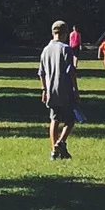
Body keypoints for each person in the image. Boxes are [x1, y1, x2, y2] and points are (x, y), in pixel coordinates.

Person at [39, 21, 78, 160]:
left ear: (52, 32)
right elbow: (71, 71)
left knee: (54, 119)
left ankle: (54, 151)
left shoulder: (45, 50)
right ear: (65, 33)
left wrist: (44, 89)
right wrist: (75, 89)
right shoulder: (66, 49)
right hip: (65, 89)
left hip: (50, 90)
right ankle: (61, 142)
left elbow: (41, 73)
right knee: (71, 119)